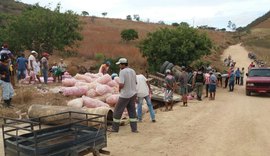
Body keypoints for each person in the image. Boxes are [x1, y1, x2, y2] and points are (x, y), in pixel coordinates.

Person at [109, 58, 138, 133]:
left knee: (117, 111)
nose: (119, 66)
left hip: (125, 94)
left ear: (123, 64)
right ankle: (134, 129)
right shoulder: (133, 71)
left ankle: (115, 128)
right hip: (133, 94)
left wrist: (119, 89)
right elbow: (136, 82)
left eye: (120, 65)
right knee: (132, 111)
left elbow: (121, 84)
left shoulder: (122, 72)